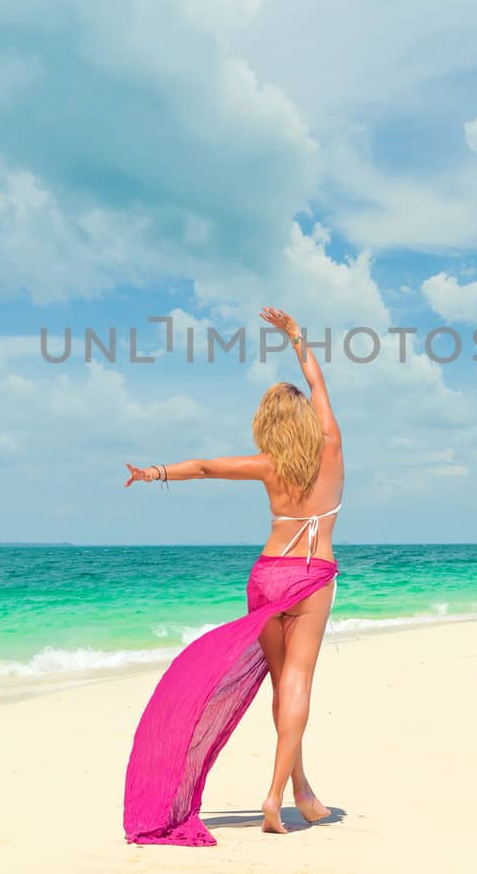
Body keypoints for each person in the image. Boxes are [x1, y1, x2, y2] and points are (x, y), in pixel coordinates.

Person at [121, 305, 345, 846]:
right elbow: (318, 382)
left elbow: (202, 467)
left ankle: (300, 788)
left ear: (270, 424)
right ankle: (276, 794)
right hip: (312, 577)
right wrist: (297, 337)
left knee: (278, 681)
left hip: (267, 575)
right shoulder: (333, 446)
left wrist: (153, 473)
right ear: (310, 421)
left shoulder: (266, 465)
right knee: (298, 682)